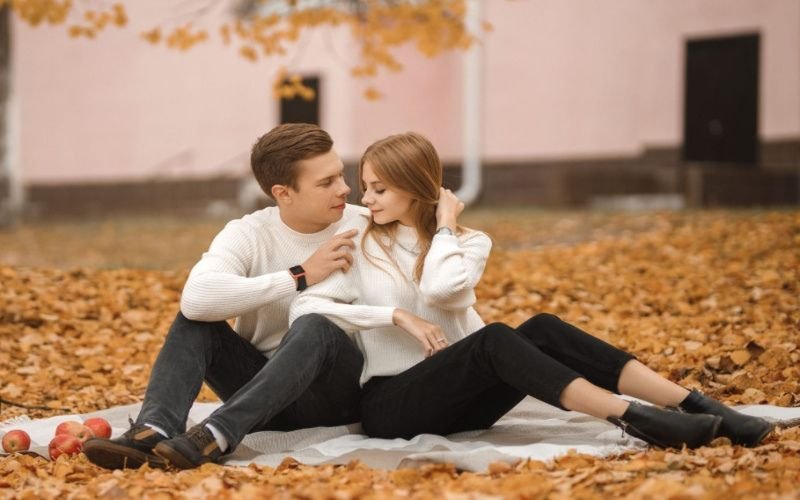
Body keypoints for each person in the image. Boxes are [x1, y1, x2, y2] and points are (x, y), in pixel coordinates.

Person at [289, 131, 773, 449]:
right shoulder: (359, 241)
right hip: (393, 406)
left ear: (416, 188)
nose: (365, 199)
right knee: (498, 337)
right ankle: (633, 418)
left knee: (541, 328)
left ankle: (696, 405)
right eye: (365, 187)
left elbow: (442, 289)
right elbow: (306, 306)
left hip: (463, 398)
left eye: (379, 189)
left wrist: (445, 228)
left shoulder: (467, 241)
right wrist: (395, 316)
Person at [84, 123, 368, 470]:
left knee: (316, 324)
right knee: (196, 319)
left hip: (336, 398)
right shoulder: (249, 233)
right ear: (283, 193)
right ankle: (154, 430)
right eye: (326, 183)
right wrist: (300, 275)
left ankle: (215, 435)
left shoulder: (368, 225)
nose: (345, 188)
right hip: (262, 402)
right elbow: (196, 299)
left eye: (340, 174)